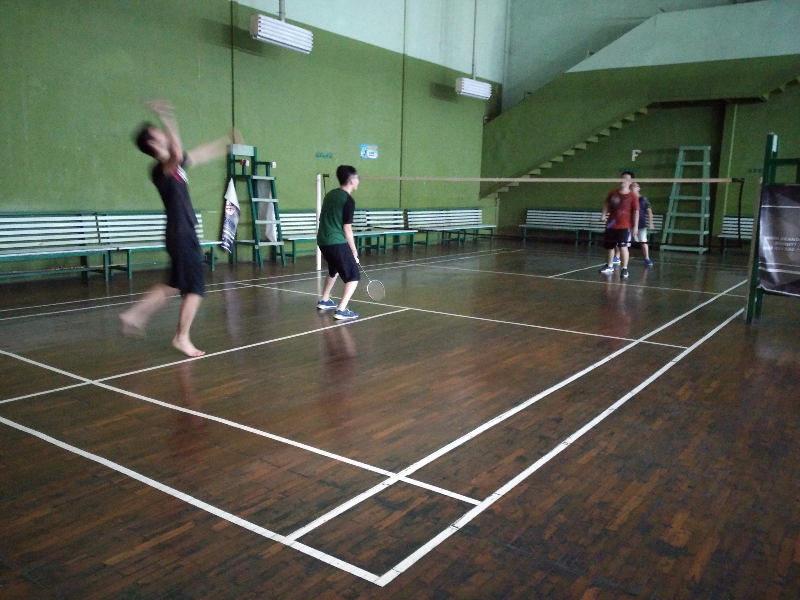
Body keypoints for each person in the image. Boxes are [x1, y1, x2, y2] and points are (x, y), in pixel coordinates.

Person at [120, 100, 239, 356]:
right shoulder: (161, 170)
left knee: (173, 284)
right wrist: (167, 116)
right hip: (181, 234)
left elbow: (200, 153)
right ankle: (182, 338)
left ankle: (134, 316)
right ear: (153, 144)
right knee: (195, 288)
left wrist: (224, 144)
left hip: (180, 233)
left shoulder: (176, 165)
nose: (164, 135)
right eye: (158, 134)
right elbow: (176, 152)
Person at [316, 165, 361, 320]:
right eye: (357, 178)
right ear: (350, 180)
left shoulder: (330, 195)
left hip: (322, 239)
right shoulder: (348, 200)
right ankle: (341, 310)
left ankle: (325, 300)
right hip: (335, 240)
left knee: (333, 268)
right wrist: (354, 251)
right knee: (354, 276)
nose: (358, 181)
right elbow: (347, 229)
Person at [599, 170, 639, 279]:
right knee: (609, 247)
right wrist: (603, 215)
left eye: (626, 178)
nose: (623, 180)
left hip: (625, 225)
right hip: (611, 223)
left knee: (623, 247)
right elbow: (607, 205)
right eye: (622, 178)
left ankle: (624, 268)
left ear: (630, 182)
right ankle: (609, 266)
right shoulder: (613, 193)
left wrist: (635, 226)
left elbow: (636, 211)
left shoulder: (632, 196)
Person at [631, 181, 654, 266]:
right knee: (623, 241)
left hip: (641, 224)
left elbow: (649, 212)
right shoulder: (628, 198)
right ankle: (617, 258)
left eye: (635, 186)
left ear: (639, 188)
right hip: (628, 223)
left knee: (643, 242)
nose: (633, 187)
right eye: (631, 186)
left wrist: (651, 223)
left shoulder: (643, 199)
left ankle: (647, 258)